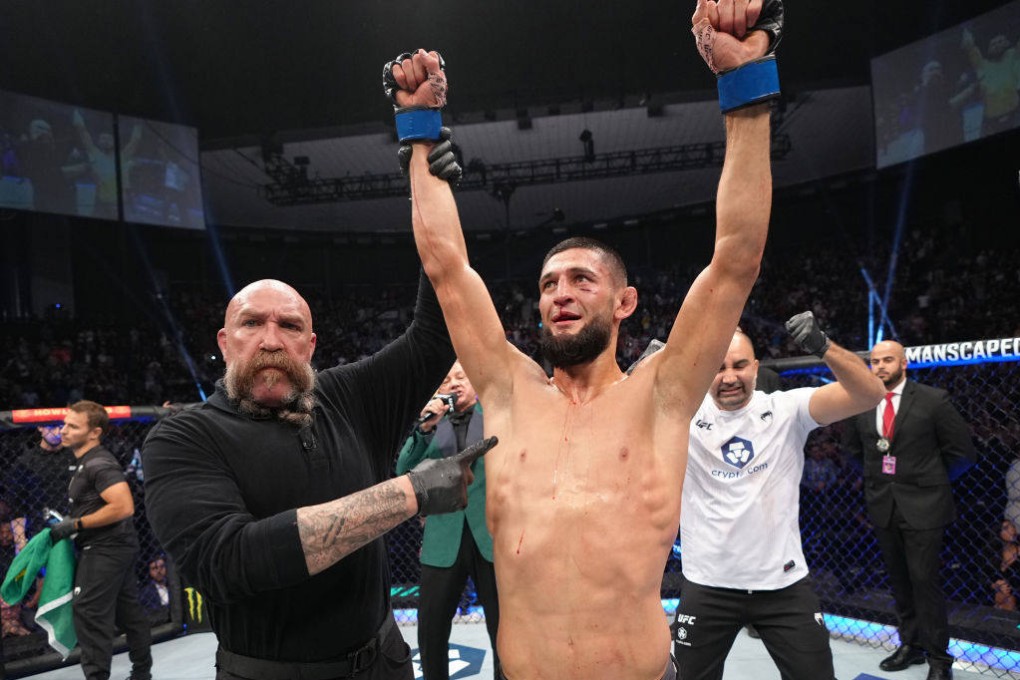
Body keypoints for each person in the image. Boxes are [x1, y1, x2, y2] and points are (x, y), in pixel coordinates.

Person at [388, 0, 783, 674]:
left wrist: (745, 90)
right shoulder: (509, 392)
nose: (560, 294)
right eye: (547, 285)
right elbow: (447, 268)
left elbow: (736, 257)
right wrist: (419, 135)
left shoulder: (664, 395)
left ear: (625, 302)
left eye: (580, 280)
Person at [141, 276, 496, 680]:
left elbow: (436, 334)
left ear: (310, 345)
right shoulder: (184, 436)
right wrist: (411, 492)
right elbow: (227, 560)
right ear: (225, 341)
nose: (271, 341)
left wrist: (433, 215)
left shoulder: (347, 396)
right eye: (252, 323)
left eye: (290, 326)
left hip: (385, 661)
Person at [671, 313, 885, 680]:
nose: (730, 377)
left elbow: (871, 393)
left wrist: (824, 346)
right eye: (719, 368)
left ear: (755, 367)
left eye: (739, 365)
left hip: (782, 586)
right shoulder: (682, 417)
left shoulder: (787, 410)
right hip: (708, 585)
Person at [842, 340, 977, 680]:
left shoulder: (933, 399)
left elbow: (962, 453)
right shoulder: (862, 403)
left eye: (888, 360)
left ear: (904, 363)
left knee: (924, 582)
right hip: (883, 504)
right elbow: (853, 452)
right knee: (899, 582)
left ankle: (938, 659)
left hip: (925, 506)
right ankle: (910, 646)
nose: (881, 366)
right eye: (875, 361)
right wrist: (882, 481)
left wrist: (926, 482)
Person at [395, 361, 500, 680]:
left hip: (491, 538)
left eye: (461, 377)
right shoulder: (430, 427)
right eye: (446, 380)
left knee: (503, 631)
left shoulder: (496, 414)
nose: (454, 384)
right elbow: (403, 471)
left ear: (475, 381)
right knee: (430, 631)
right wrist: (425, 429)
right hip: (442, 538)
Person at [48, 400, 153, 680]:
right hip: (114, 545)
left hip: (106, 547)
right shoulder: (85, 463)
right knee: (128, 609)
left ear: (94, 432)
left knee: (89, 611)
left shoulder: (99, 463)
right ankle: (142, 673)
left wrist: (77, 524)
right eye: (65, 424)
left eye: (72, 426)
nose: (64, 430)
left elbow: (123, 507)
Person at [5, 424, 76, 552]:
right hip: (41, 532)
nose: (57, 432)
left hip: (77, 530)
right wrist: (20, 541)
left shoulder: (76, 456)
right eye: (52, 427)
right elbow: (17, 507)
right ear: (40, 427)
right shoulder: (25, 462)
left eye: (60, 427)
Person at [137, 555, 171, 625]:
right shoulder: (145, 593)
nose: (159, 571)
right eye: (154, 568)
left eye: (162, 567)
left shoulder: (173, 586)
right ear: (149, 571)